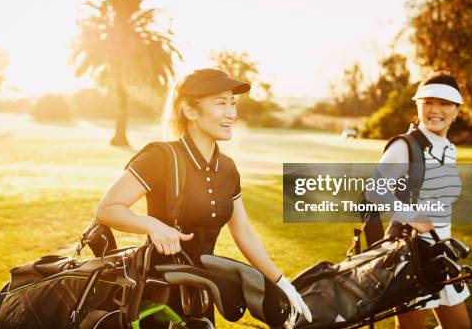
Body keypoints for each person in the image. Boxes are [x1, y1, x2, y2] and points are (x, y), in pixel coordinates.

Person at [95, 68, 312, 327]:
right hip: (157, 291)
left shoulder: (228, 168)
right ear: (191, 111)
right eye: (220, 103)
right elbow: (108, 209)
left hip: (202, 291)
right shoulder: (160, 157)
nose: (231, 113)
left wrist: (281, 282)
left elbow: (243, 231)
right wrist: (152, 225)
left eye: (233, 103)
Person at [371, 71, 470, 329]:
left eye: (444, 103)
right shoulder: (404, 146)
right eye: (428, 102)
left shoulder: (450, 149)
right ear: (418, 105)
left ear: (457, 110)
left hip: (441, 253)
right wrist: (411, 216)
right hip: (411, 256)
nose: (435, 109)